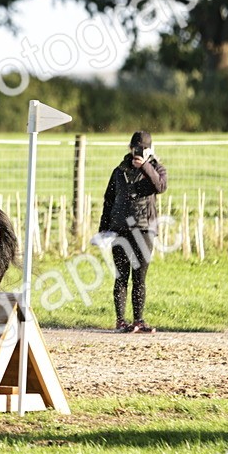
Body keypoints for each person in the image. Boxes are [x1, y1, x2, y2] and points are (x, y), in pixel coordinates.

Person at [98, 131, 168, 333]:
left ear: (150, 150)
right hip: (120, 229)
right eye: (135, 148)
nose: (137, 152)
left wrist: (145, 166)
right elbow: (108, 199)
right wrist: (104, 228)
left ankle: (139, 320)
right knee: (121, 276)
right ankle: (120, 321)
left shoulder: (156, 169)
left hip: (145, 229)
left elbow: (160, 186)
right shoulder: (119, 171)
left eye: (142, 149)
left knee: (139, 277)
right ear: (130, 148)